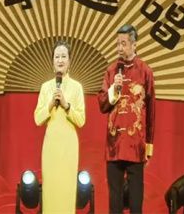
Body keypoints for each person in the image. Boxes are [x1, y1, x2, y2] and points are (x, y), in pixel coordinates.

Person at [97, 24, 156, 214]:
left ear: (134, 45)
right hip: (114, 145)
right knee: (114, 203)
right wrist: (114, 89)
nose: (119, 48)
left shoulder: (145, 72)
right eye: (118, 44)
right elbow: (102, 105)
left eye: (123, 44)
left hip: (135, 145)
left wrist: (149, 145)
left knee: (136, 203)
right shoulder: (111, 71)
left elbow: (151, 111)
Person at [34, 41, 86, 213]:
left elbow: (81, 120)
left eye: (64, 56)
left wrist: (66, 105)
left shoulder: (77, 87)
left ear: (70, 61)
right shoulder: (46, 87)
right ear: (52, 61)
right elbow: (37, 119)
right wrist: (50, 104)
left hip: (69, 146)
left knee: (66, 191)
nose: (60, 60)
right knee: (50, 192)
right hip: (51, 147)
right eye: (57, 57)